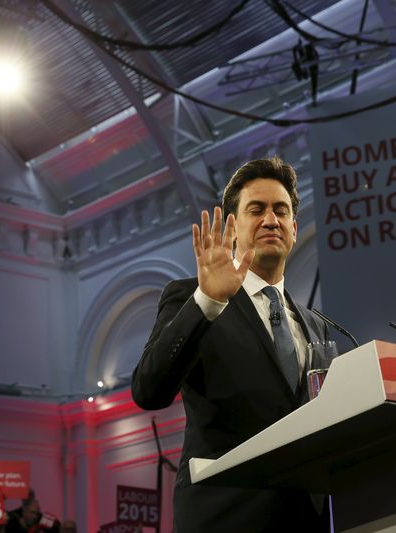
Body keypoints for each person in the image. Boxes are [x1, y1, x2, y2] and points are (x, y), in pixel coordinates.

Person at [132, 156, 330, 532]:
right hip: (223, 518)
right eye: (257, 210)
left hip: (307, 521)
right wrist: (208, 301)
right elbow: (148, 389)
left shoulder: (316, 326)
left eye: (281, 211)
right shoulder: (192, 299)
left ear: (293, 227)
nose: (271, 219)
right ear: (233, 227)